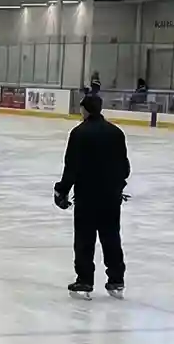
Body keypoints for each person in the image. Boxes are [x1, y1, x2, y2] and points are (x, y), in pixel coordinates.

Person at [55, 93, 129, 298]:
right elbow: (124, 167)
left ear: (84, 109)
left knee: (84, 240)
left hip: (87, 197)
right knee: (111, 237)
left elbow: (71, 167)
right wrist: (117, 187)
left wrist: (62, 190)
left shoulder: (79, 133)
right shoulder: (116, 132)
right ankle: (116, 281)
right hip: (111, 197)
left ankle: (85, 281)